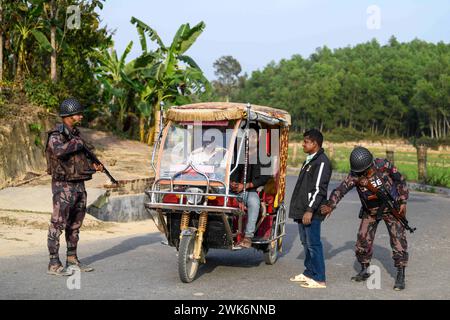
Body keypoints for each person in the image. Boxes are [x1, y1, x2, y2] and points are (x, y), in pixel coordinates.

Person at [320, 146, 409, 290]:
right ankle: (365, 269)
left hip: (391, 209)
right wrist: (331, 204)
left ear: (371, 164)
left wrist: (403, 200)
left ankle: (400, 273)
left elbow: (400, 180)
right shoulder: (355, 174)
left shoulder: (383, 165)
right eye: (359, 172)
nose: (362, 174)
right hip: (370, 210)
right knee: (362, 239)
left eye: (364, 171)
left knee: (398, 240)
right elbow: (341, 189)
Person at [45, 98, 103, 276]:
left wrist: (93, 166)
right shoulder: (56, 134)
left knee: (75, 224)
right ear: (69, 116)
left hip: (78, 184)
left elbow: (79, 159)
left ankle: (72, 259)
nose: (81, 116)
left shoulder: (76, 134)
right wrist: (76, 143)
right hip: (63, 185)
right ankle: (54, 263)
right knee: (58, 223)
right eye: (78, 113)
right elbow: (59, 151)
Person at [289, 129, 332, 289]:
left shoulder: (321, 162)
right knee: (305, 242)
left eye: (306, 141)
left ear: (315, 144)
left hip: (311, 211)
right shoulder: (310, 160)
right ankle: (309, 273)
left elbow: (319, 189)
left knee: (314, 244)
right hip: (303, 209)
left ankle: (320, 278)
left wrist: (309, 210)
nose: (303, 144)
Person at [230, 123, 270, 248]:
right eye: (247, 136)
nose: (250, 139)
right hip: (234, 190)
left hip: (251, 191)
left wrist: (245, 186)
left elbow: (264, 178)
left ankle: (248, 236)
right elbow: (231, 171)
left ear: (258, 137)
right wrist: (232, 183)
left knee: (254, 202)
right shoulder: (237, 154)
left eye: (253, 136)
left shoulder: (264, 156)